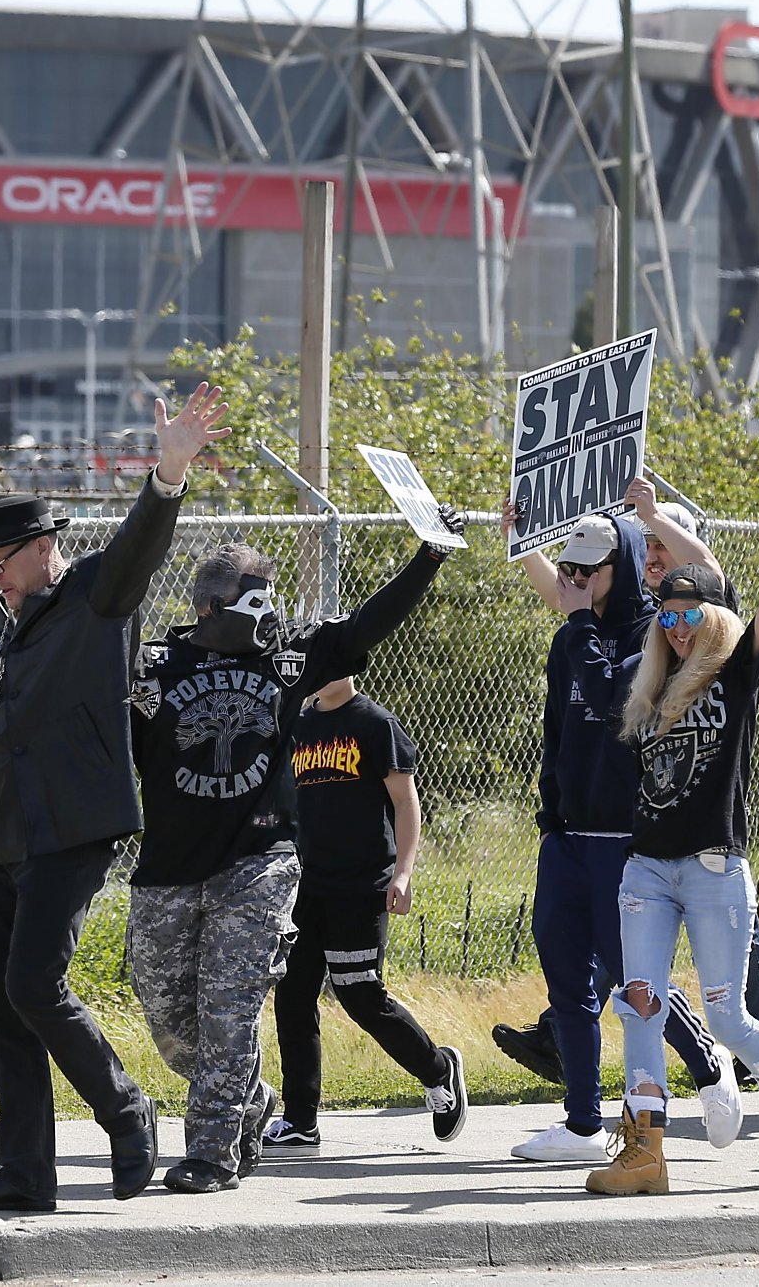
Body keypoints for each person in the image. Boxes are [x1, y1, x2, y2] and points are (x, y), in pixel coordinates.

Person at [0, 382, 228, 1214]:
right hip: (5, 832)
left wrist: (166, 477)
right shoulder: (8, 620)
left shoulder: (95, 597)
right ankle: (26, 1173)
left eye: (0, 563)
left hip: (74, 824)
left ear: (42, 547)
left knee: (33, 985)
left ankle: (126, 1111)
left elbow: (140, 548)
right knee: (1, 1000)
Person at [128, 507, 463, 1193]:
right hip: (167, 866)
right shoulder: (157, 665)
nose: (267, 616)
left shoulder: (288, 662)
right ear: (208, 607)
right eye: (253, 603)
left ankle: (214, 1154)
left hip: (258, 867)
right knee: (169, 1018)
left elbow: (366, 627)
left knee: (230, 1010)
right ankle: (248, 1098)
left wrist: (427, 556)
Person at [574, 479, 759, 1195]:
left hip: (712, 868)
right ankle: (645, 1150)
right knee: (639, 997)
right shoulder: (648, 686)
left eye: (690, 613)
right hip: (645, 870)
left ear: (712, 616)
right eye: (667, 615)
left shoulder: (734, 673)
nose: (676, 626)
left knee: (727, 1014)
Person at [494, 484, 759, 1094]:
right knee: (581, 977)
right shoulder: (583, 627)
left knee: (637, 979)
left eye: (656, 549)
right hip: (572, 829)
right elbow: (567, 595)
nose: (652, 557)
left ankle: (708, 1070)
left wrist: (649, 517)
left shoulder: (664, 630)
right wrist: (524, 542)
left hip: (642, 836)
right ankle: (589, 1117)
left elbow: (713, 583)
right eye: (643, 546)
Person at [265, 675, 464, 1150]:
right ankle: (300, 1120)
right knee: (292, 998)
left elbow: (405, 801)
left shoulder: (375, 724)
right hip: (303, 886)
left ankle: (439, 1070)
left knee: (359, 994)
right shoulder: (297, 724)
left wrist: (403, 873)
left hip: (360, 885)